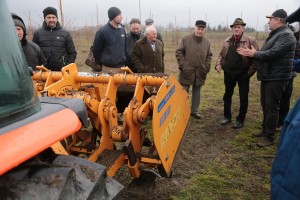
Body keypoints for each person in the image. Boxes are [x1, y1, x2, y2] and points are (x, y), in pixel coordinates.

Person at [237, 9, 296, 147]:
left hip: (277, 76)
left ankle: (269, 137)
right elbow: (265, 52)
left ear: (278, 20)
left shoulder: (286, 35)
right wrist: (251, 52)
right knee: (265, 104)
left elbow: (273, 53)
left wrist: (254, 54)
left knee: (272, 107)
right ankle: (265, 129)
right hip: (269, 75)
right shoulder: (275, 34)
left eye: (270, 19)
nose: (268, 22)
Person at [215, 18, 259, 129]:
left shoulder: (251, 40)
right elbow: (221, 55)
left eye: (238, 27)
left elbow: (256, 59)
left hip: (243, 74)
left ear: (243, 28)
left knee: (243, 97)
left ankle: (240, 120)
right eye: (234, 27)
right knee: (227, 95)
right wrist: (218, 64)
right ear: (232, 28)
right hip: (229, 73)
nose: (236, 29)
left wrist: (248, 73)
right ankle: (227, 117)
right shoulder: (227, 41)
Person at [175, 20, 212, 119]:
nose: (200, 31)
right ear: (194, 28)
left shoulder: (207, 42)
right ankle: (181, 111)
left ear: (204, 30)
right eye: (198, 28)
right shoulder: (186, 39)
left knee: (197, 92)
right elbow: (179, 52)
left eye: (202, 29)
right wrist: (183, 65)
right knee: (184, 92)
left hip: (200, 71)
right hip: (187, 71)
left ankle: (194, 111)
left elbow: (209, 55)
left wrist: (206, 67)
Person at [32, 7, 77, 71]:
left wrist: (66, 66)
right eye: (49, 17)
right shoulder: (38, 33)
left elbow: (72, 53)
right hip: (43, 72)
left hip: (61, 72)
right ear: (45, 18)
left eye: (53, 17)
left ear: (56, 18)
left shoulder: (65, 34)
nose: (51, 20)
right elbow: (34, 53)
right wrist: (39, 66)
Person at [277, 30, 299, 130]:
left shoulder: (293, 38)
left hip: (289, 74)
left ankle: (282, 121)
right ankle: (275, 121)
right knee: (276, 99)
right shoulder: (287, 36)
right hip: (278, 73)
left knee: (285, 98)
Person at [93, 7, 126, 73]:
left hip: (122, 68)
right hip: (109, 69)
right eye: (119, 15)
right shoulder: (102, 31)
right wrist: (104, 62)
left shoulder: (122, 30)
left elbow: (124, 47)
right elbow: (96, 51)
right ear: (113, 16)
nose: (121, 17)